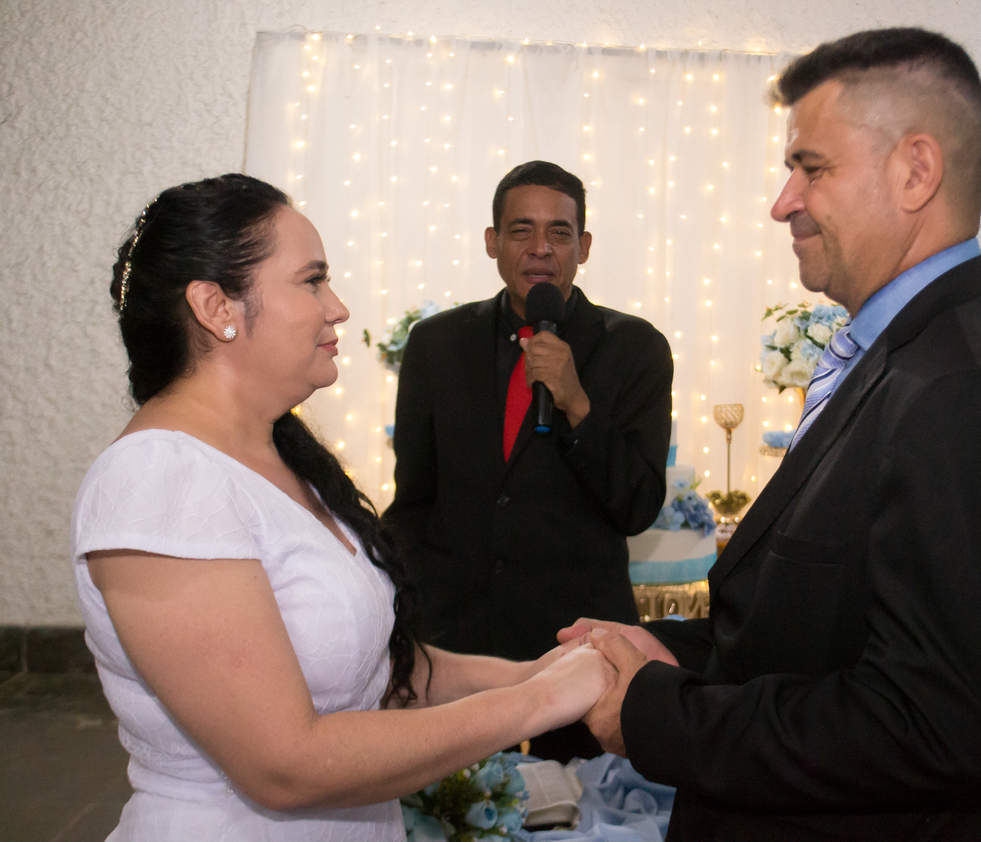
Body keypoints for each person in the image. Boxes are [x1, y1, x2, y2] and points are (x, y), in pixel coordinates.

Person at [563, 28, 981, 840]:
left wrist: (667, 716)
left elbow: (932, 726)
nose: (783, 202)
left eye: (811, 168)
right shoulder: (902, 356)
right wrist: (663, 655)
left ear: (916, 172)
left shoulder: (967, 389)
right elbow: (817, 633)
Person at [73, 173, 614, 841]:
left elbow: (379, 665)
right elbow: (285, 766)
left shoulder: (281, 457)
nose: (338, 308)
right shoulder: (159, 480)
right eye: (311, 281)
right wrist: (538, 703)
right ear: (218, 307)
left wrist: (531, 671)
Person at [383, 161, 673, 762]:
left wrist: (576, 404)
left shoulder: (636, 348)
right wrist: (402, 628)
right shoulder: (437, 344)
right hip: (454, 650)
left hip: (577, 652)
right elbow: (413, 503)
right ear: (492, 242)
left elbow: (638, 505)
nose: (541, 248)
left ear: (583, 246)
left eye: (560, 232)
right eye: (521, 230)